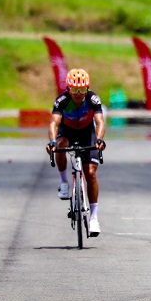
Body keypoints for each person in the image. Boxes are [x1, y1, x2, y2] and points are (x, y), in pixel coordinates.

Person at [46, 68, 106, 236]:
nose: (78, 94)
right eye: (74, 90)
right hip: (68, 131)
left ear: (87, 88)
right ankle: (64, 182)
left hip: (88, 133)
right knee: (60, 144)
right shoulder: (62, 100)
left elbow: (99, 121)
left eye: (82, 90)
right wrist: (52, 142)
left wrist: (99, 140)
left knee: (91, 173)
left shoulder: (93, 99)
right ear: (68, 88)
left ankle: (94, 218)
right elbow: (53, 123)